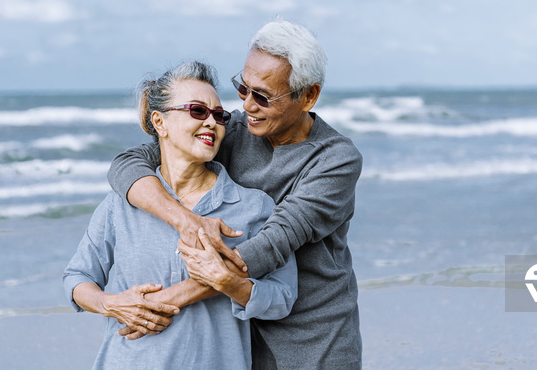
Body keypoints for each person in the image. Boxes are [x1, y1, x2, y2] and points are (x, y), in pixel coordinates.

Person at [108, 19, 363, 369]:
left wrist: (160, 305)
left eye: (263, 96)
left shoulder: (336, 160)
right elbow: (127, 164)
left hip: (313, 339)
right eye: (243, 89)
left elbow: (271, 244)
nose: (248, 105)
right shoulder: (233, 130)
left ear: (309, 96)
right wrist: (187, 221)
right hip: (236, 334)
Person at [63, 61, 298, 369]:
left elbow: (282, 298)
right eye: (197, 111)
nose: (212, 122)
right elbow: (78, 278)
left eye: (219, 115)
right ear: (160, 122)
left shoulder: (254, 207)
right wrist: (110, 303)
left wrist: (227, 282)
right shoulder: (120, 204)